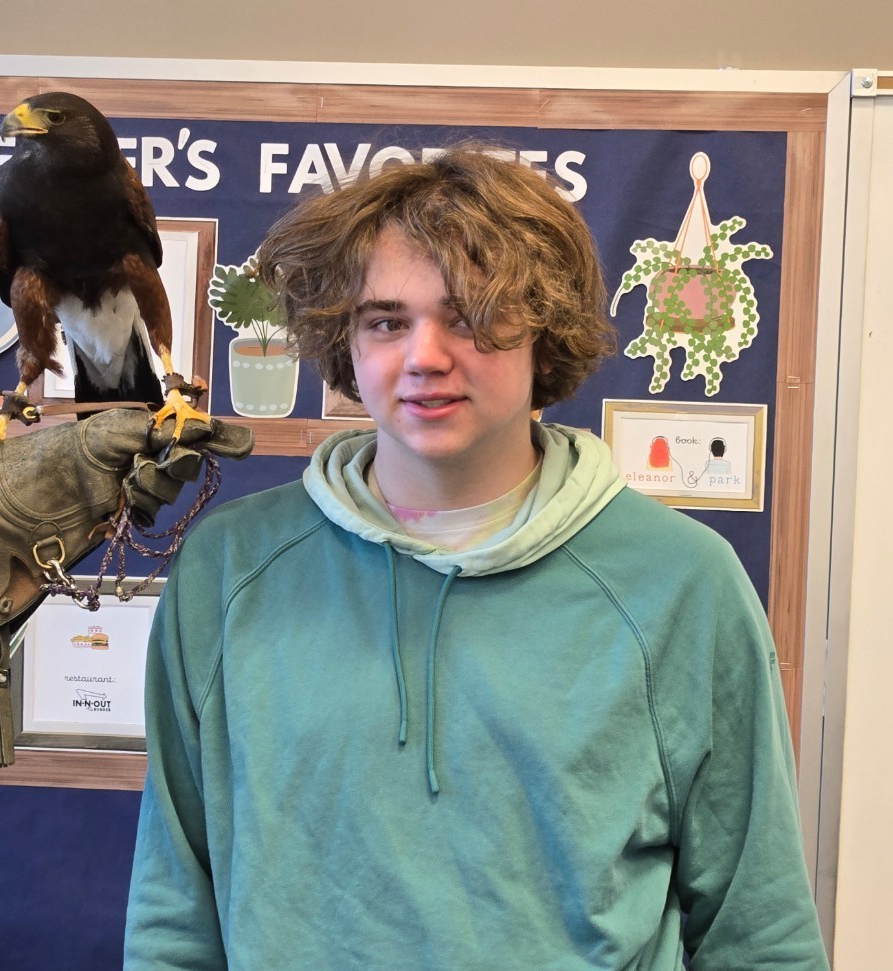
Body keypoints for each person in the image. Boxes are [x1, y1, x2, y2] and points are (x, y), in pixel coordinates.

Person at [124, 147, 828, 969]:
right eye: (386, 319)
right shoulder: (230, 569)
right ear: (343, 339)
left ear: (544, 334)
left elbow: (759, 932)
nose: (424, 355)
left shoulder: (681, 583)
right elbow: (177, 910)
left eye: (467, 316)